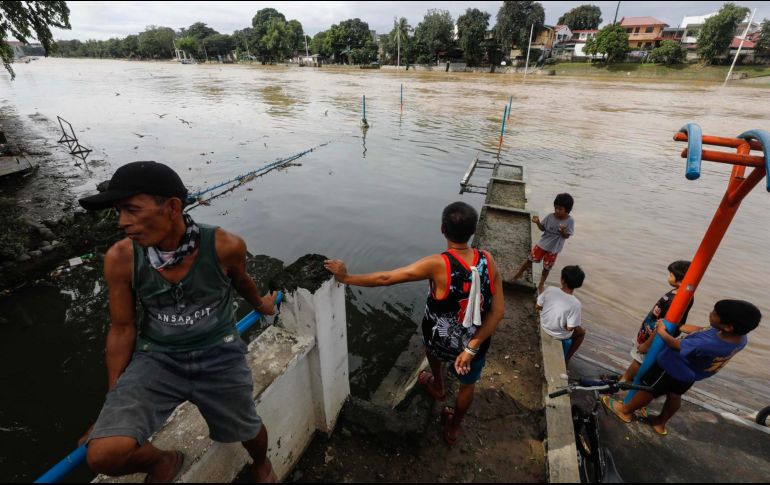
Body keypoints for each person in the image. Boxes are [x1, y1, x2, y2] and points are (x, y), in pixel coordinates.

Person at [77, 161, 279, 482]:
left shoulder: (225, 246)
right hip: (157, 358)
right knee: (104, 454)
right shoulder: (121, 257)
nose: (122, 222)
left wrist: (261, 304)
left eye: (131, 209)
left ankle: (261, 463)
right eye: (118, 211)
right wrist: (112, 402)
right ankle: (162, 462)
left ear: (172, 207)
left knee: (248, 427)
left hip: (219, 353)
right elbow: (123, 328)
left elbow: (242, 281)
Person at [324, 201, 504, 446]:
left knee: (430, 349)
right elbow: (498, 311)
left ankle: (438, 386)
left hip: (440, 339)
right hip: (473, 345)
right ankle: (453, 428)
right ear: (472, 231)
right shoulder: (488, 260)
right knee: (467, 384)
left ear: (442, 229)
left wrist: (346, 277)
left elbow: (387, 278)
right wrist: (472, 347)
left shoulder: (437, 263)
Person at [603, 299, 761, 436]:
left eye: (714, 313)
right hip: (689, 375)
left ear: (728, 327)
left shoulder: (706, 344)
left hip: (670, 368)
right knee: (674, 395)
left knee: (649, 389)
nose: (710, 312)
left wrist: (662, 330)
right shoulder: (740, 339)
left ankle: (625, 411)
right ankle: (660, 423)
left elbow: (675, 344)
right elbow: (703, 329)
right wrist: (680, 326)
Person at [619, 260, 696, 384]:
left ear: (682, 280)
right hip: (649, 331)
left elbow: (663, 325)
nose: (668, 277)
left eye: (671, 275)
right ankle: (629, 378)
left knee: (638, 360)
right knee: (639, 358)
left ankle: (624, 381)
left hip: (655, 337)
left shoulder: (676, 301)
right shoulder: (678, 294)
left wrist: (647, 344)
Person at [512, 193, 575, 288]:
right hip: (542, 245)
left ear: (567, 210)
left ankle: (541, 283)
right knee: (529, 260)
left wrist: (563, 231)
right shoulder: (550, 216)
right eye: (556, 208)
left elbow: (567, 236)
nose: (557, 211)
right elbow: (543, 228)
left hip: (553, 249)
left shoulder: (570, 221)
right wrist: (537, 222)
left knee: (546, 268)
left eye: (560, 209)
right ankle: (519, 273)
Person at [536, 265, 586, 363]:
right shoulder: (576, 303)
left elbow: (537, 306)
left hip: (544, 325)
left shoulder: (550, 289)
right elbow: (569, 328)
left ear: (562, 280)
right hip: (557, 334)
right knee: (582, 333)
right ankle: (567, 359)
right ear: (578, 285)